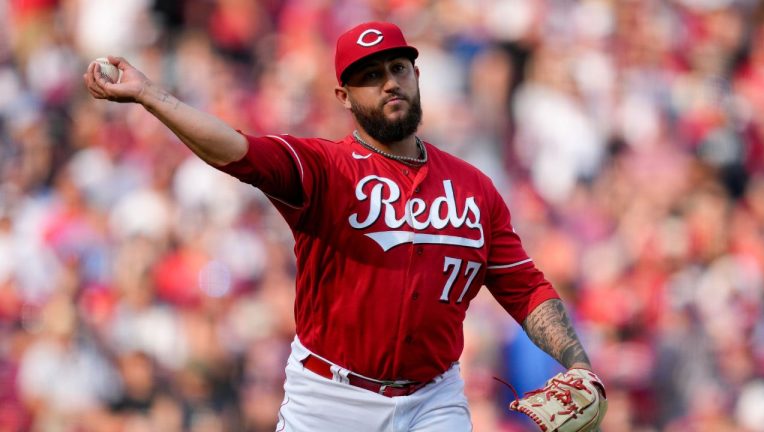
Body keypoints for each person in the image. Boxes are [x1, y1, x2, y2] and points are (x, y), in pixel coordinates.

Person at [84, 21, 606, 432]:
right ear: (343, 97)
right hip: (331, 397)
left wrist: (578, 364)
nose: (389, 83)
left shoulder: (473, 188)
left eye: (398, 68)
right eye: (369, 76)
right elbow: (236, 151)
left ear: (417, 76)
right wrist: (153, 97)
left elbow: (525, 286)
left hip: (434, 397)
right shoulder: (324, 169)